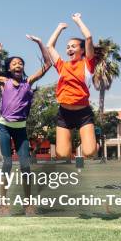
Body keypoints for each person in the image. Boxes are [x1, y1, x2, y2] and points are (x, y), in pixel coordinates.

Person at [0, 36, 51, 215]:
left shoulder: (28, 82)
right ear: (9, 68)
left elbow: (48, 65)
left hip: (21, 129)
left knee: (25, 165)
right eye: (14, 63)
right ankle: (2, 203)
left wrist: (40, 43)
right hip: (4, 127)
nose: (18, 65)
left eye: (21, 63)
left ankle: (28, 204)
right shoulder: (4, 81)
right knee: (8, 163)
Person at [46, 13, 98, 159]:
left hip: (83, 114)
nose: (69, 49)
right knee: (62, 155)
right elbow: (49, 46)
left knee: (89, 152)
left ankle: (93, 144)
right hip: (64, 113)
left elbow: (88, 37)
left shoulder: (88, 64)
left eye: (73, 46)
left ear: (82, 50)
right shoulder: (62, 66)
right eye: (68, 47)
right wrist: (59, 28)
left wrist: (77, 20)